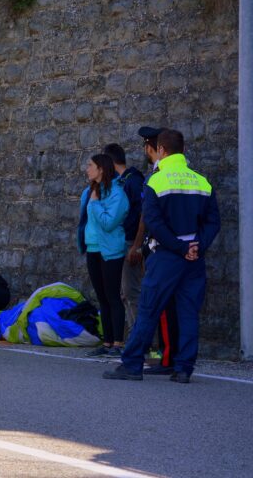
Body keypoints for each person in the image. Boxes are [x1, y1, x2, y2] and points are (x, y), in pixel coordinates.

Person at [104, 129, 220, 383]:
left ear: (162, 150)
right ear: (183, 150)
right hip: (194, 258)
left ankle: (132, 364)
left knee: (148, 309)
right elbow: (213, 222)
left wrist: (179, 248)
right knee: (188, 312)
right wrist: (196, 246)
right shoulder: (202, 181)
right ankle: (184, 369)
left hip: (166, 256)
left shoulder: (155, 181)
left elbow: (153, 223)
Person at [134, 127, 179, 375]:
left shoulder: (158, 176)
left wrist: (139, 246)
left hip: (161, 247)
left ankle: (166, 357)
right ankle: (170, 356)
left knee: (161, 306)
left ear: (153, 148)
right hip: (176, 247)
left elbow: (148, 217)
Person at [77, 154, 129, 357]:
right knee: (102, 298)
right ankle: (107, 343)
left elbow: (109, 223)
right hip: (93, 249)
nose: (86, 168)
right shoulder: (90, 191)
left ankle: (118, 343)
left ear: (101, 169)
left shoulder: (117, 194)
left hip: (111, 251)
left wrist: (95, 204)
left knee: (113, 297)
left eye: (90, 165)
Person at [102, 143, 145, 336]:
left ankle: (140, 339)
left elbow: (143, 216)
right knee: (124, 293)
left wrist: (136, 246)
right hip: (120, 244)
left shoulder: (132, 182)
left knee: (131, 292)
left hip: (130, 243)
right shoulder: (121, 182)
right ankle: (134, 336)